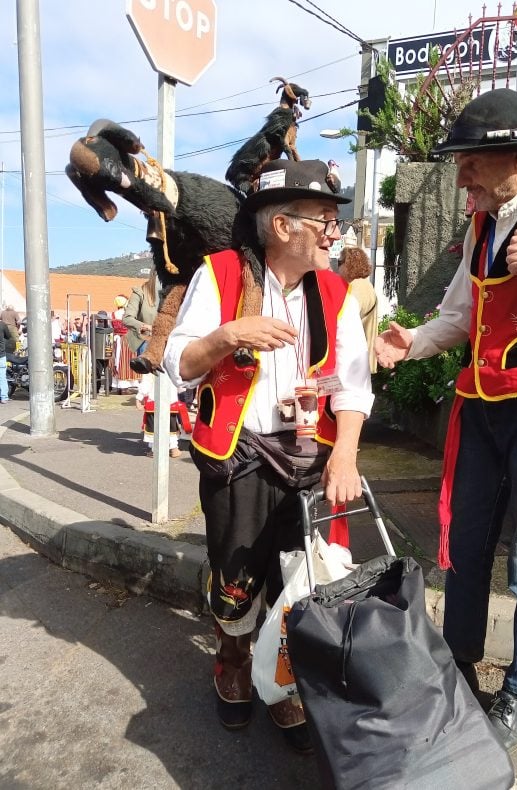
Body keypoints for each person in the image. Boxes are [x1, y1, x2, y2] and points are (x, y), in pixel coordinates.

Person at [375, 88, 517, 753]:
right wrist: (407, 343)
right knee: (462, 551)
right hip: (483, 407)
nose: (461, 175)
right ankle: (459, 667)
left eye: (470, 161)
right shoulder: (480, 224)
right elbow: (457, 316)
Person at [163, 159, 373, 752]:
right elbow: (179, 361)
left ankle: (284, 685)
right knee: (237, 576)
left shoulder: (334, 292)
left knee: (304, 583)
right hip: (241, 456)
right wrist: (230, 335)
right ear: (282, 226)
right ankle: (232, 662)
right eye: (326, 222)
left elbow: (354, 383)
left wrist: (347, 456)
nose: (336, 234)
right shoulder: (222, 274)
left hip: (314, 456)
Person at [337, 246, 378, 373]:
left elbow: (342, 320)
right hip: (362, 360)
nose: (337, 267)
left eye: (339, 262)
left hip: (352, 363)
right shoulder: (366, 285)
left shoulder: (355, 288)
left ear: (347, 264)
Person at [135, 373, 190, 458]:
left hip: (154, 401)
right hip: (170, 400)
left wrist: (139, 397)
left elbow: (146, 382)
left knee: (154, 426)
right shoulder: (172, 362)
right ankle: (173, 448)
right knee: (170, 425)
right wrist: (181, 390)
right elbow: (179, 381)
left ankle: (154, 449)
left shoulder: (151, 365)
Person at [123, 268, 159, 356]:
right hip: (147, 340)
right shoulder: (140, 292)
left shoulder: (173, 293)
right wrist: (146, 327)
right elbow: (127, 318)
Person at [110, 295, 140, 394]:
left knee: (117, 361)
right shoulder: (128, 314)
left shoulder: (113, 314)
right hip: (127, 340)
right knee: (125, 362)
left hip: (116, 339)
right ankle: (124, 387)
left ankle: (119, 385)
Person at [0, 319, 13, 403]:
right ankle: (4, 397)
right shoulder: (2, 324)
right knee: (2, 376)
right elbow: (8, 336)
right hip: (1, 354)